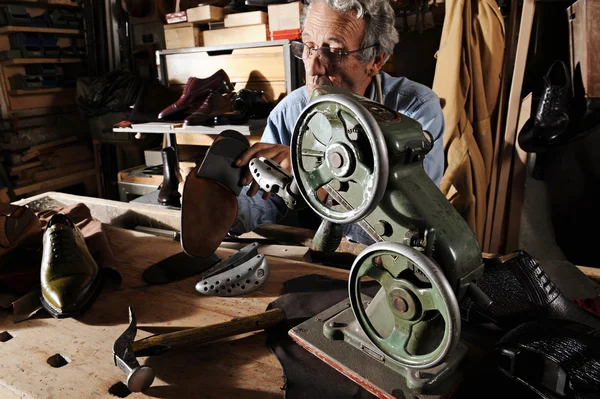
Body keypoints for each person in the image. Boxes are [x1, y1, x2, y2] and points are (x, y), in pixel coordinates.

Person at [230, 0, 445, 244]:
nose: (312, 66)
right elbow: (265, 200)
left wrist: (311, 172)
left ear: (375, 60)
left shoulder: (414, 110)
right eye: (309, 47)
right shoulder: (289, 113)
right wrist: (226, 210)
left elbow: (412, 218)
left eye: (333, 51)